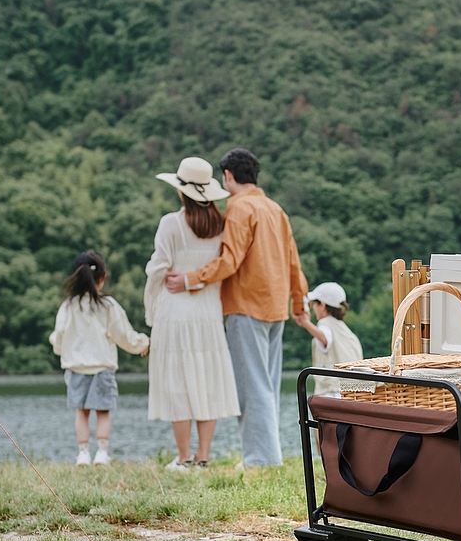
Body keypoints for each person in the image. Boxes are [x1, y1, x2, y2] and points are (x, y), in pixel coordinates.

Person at [165, 148, 308, 467]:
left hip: (246, 306)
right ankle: (269, 456)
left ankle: (261, 459)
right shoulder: (275, 209)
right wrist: (299, 301)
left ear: (228, 176)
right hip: (276, 307)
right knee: (266, 386)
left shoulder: (239, 208)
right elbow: (293, 262)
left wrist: (191, 279)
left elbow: (229, 261)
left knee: (251, 388)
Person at [144, 157, 241, 471]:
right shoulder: (222, 225)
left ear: (182, 192)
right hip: (209, 312)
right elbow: (224, 268)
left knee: (178, 383)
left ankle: (183, 457)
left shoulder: (171, 223)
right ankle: (203, 457)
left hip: (175, 311)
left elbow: (157, 269)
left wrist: (152, 307)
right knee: (206, 380)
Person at [49, 251, 149, 465]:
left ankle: (83, 453)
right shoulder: (108, 305)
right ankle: (102, 453)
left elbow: (59, 335)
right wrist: (141, 344)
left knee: (81, 412)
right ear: (102, 278)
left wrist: (61, 351)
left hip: (76, 368)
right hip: (102, 367)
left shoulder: (69, 305)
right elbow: (123, 334)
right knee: (103, 412)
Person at [294, 281, 364, 397]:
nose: (313, 308)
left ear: (322, 305)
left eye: (314, 304)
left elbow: (325, 338)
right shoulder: (345, 330)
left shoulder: (325, 324)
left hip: (331, 391)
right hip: (351, 391)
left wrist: (306, 323)